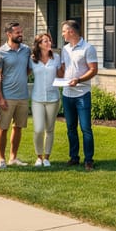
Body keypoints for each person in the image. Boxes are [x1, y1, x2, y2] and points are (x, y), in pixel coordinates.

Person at [60, 19, 98, 171]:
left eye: (64, 31)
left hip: (82, 94)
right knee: (70, 128)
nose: (62, 34)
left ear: (71, 32)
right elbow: (63, 69)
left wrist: (79, 80)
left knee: (86, 128)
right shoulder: (65, 49)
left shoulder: (88, 48)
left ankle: (89, 160)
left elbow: (93, 70)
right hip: (67, 94)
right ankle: (74, 157)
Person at [0, 22, 32, 169]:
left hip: (23, 96)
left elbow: (28, 69)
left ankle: (13, 158)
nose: (21, 34)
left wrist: (20, 76)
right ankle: (1, 159)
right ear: (9, 34)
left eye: (21, 32)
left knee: (18, 127)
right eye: (17, 32)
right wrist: (0, 97)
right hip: (7, 97)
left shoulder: (26, 50)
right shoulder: (0, 52)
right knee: (3, 128)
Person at [30, 33, 60, 167]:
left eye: (49, 40)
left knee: (50, 129)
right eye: (45, 41)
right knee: (38, 129)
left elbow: (61, 74)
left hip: (53, 98)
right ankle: (39, 157)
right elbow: (23, 73)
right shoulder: (32, 59)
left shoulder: (56, 58)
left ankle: (47, 157)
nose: (49, 43)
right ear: (39, 44)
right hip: (37, 99)